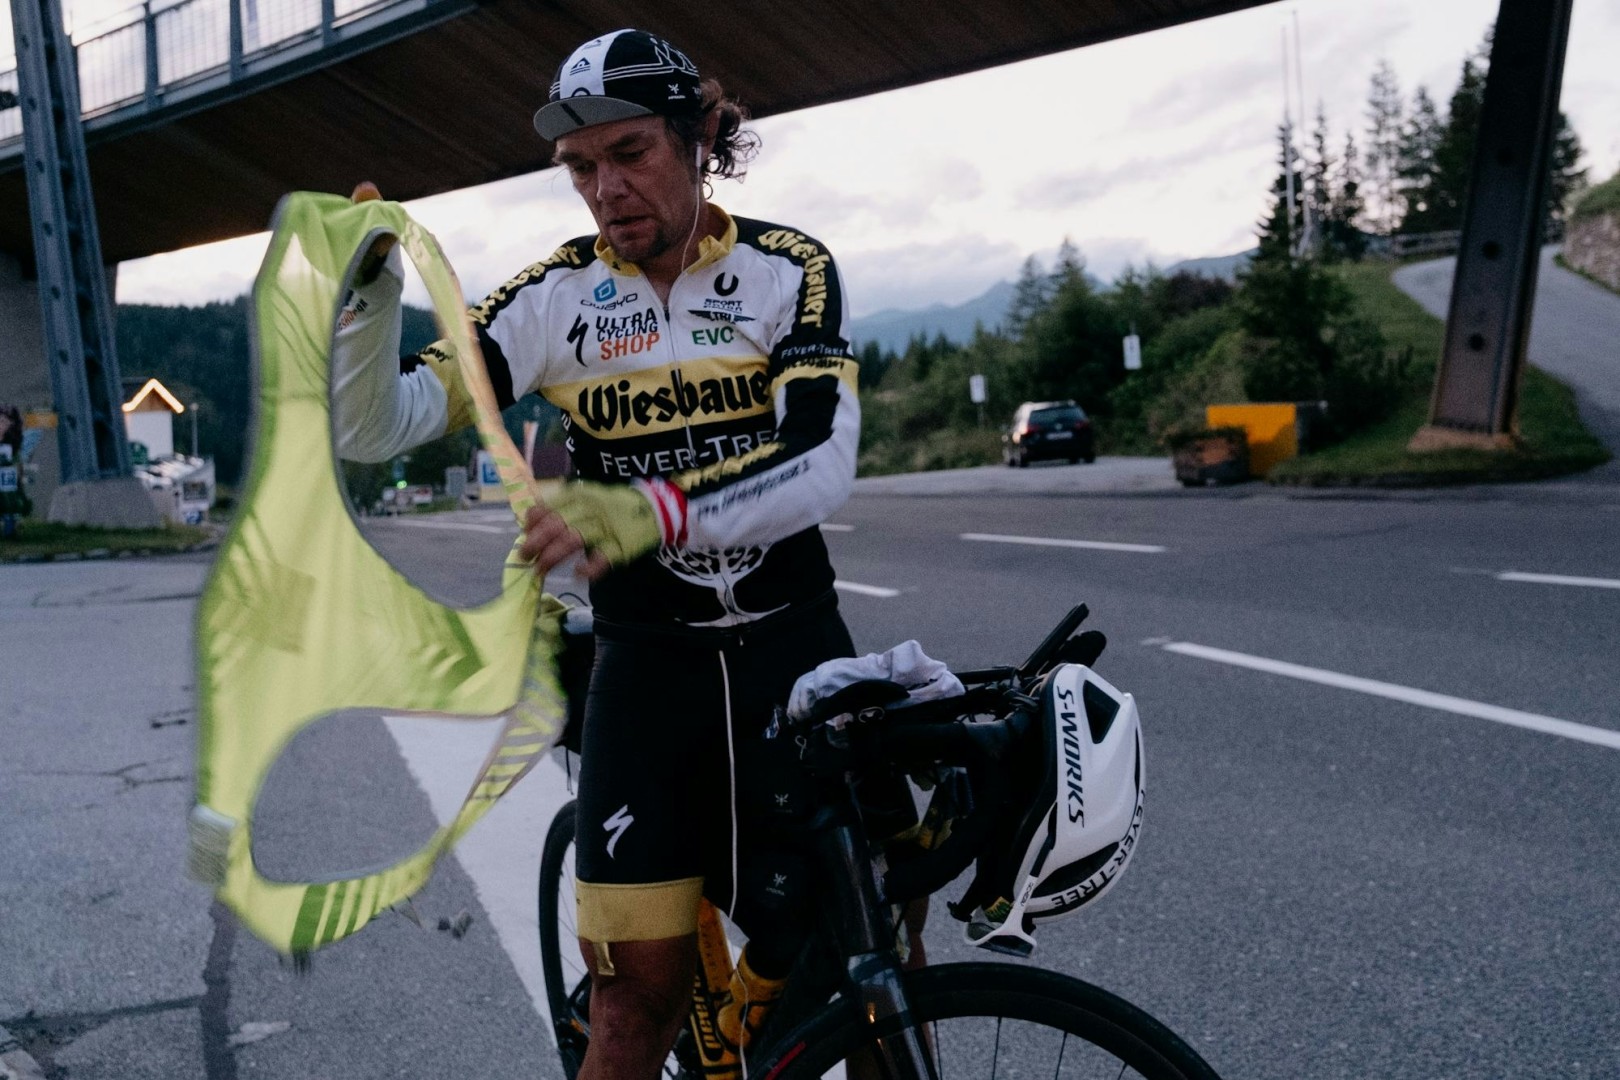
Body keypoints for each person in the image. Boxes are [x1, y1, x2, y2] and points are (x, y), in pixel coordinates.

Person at [332, 28, 895, 1080]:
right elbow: (378, 424)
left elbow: (820, 459)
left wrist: (652, 511)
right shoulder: (554, 299)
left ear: (700, 138)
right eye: (581, 167)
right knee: (632, 1005)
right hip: (648, 681)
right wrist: (367, 299)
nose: (605, 189)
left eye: (630, 153)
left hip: (794, 659)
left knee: (875, 973)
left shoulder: (787, 270)